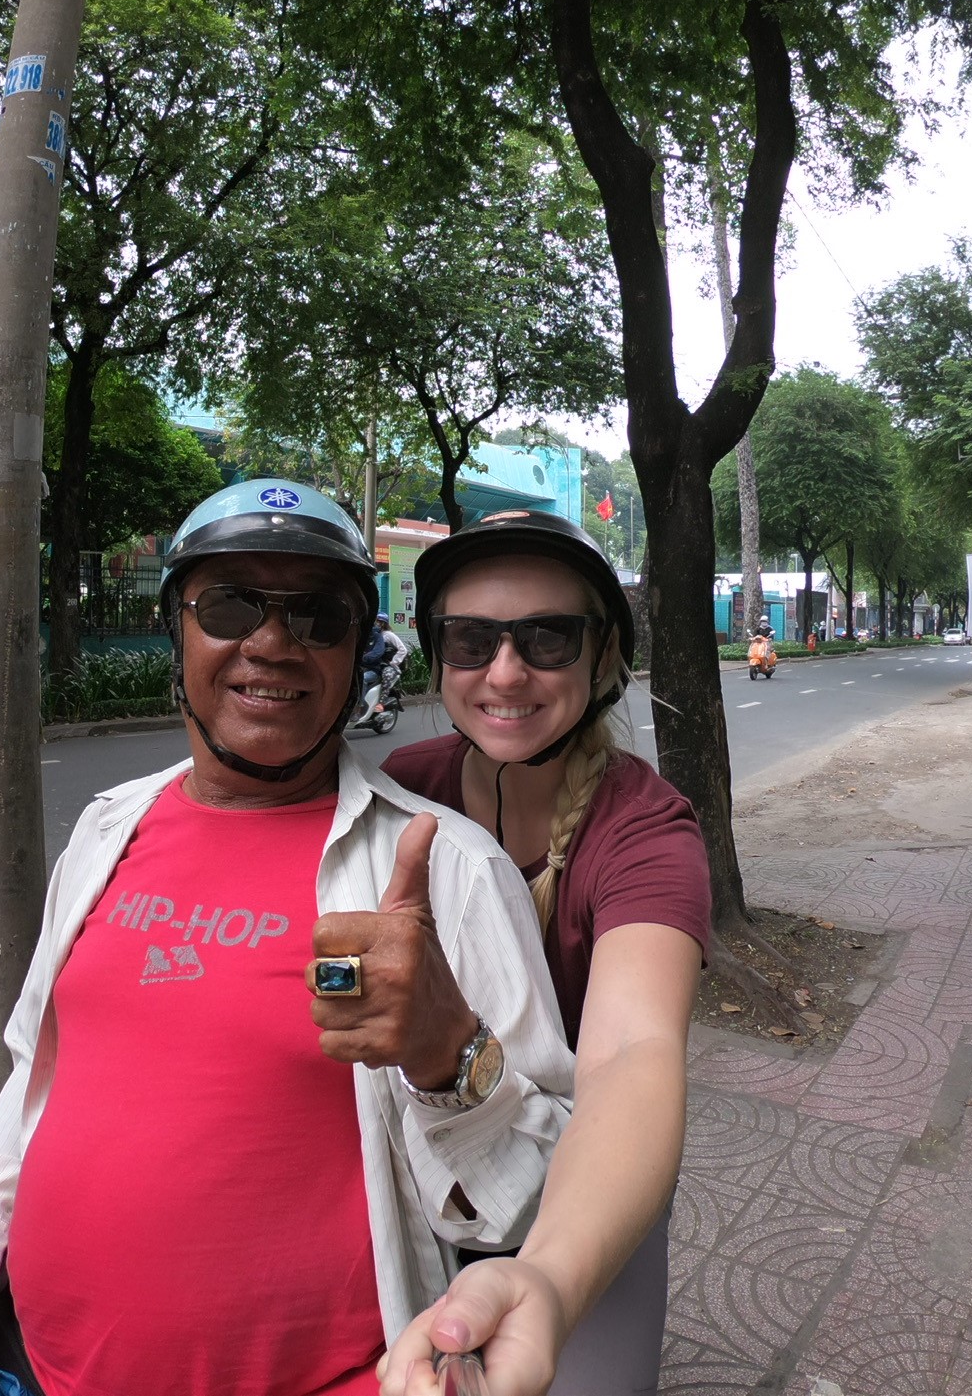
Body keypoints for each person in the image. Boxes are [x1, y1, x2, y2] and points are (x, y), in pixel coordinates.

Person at [0, 480, 572, 1396]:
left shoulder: (452, 870)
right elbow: (36, 1073)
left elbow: (544, 1188)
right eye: (231, 606)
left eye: (317, 616)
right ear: (178, 632)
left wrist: (449, 1054)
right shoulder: (106, 828)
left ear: (357, 652)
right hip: (42, 1371)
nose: (271, 642)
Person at [375, 510, 711, 1396]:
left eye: (547, 637)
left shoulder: (645, 830)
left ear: (602, 656)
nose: (504, 672)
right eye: (470, 638)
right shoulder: (400, 791)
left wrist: (552, 1282)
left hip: (584, 1175)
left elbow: (633, 1055)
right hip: (426, 1158)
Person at [358, 612, 410, 719]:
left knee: (387, 676)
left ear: (383, 623)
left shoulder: (388, 635)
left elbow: (403, 649)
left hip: (388, 666)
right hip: (377, 665)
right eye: (376, 621)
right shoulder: (372, 635)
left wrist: (394, 662)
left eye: (379, 622)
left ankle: (381, 703)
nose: (377, 623)